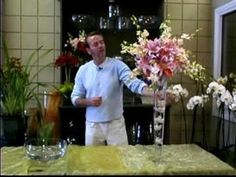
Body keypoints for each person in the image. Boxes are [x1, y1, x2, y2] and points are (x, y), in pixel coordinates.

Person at [71, 31, 154, 146]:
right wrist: (88, 101)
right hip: (93, 126)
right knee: (92, 162)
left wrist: (152, 93)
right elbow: (75, 98)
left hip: (116, 125)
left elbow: (133, 83)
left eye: (102, 42)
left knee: (121, 160)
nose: (100, 45)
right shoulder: (83, 70)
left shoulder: (117, 65)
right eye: (95, 44)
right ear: (89, 50)